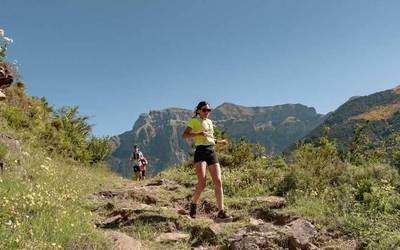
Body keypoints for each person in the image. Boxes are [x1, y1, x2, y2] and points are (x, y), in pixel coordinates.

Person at [182, 101, 233, 222]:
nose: (207, 112)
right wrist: (198, 133)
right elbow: (184, 135)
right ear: (199, 110)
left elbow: (209, 138)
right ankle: (194, 203)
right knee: (202, 183)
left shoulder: (210, 122)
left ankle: (221, 211)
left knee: (218, 181)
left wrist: (220, 142)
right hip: (200, 151)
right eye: (204, 110)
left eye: (208, 110)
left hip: (211, 151)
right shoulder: (194, 121)